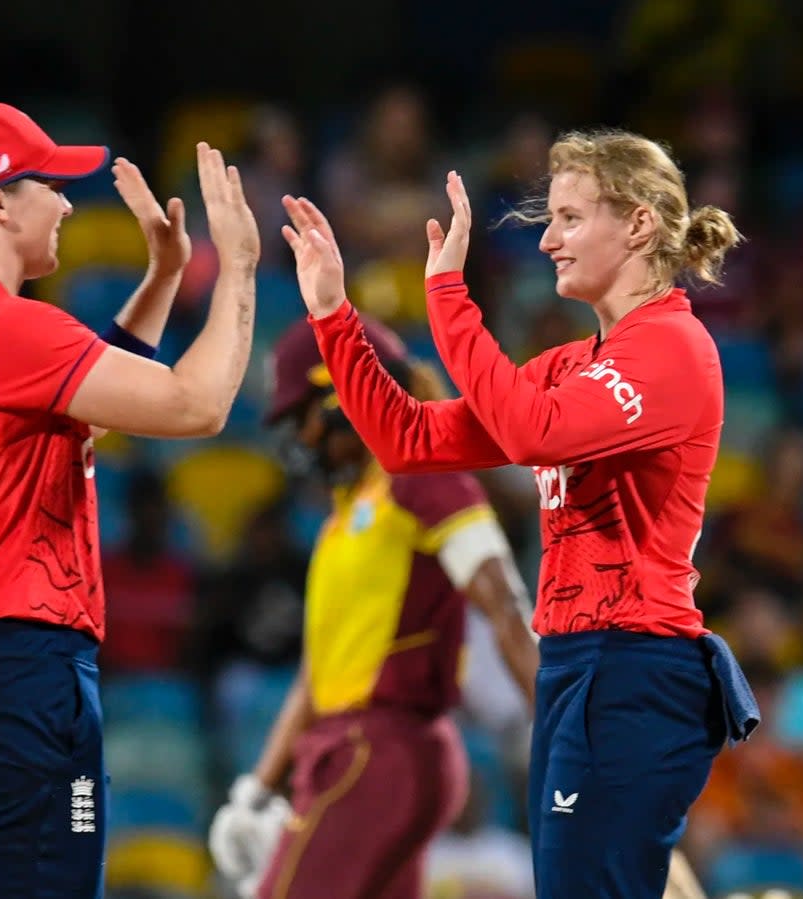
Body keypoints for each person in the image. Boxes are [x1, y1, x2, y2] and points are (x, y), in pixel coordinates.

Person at [276, 129, 760, 899]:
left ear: (637, 224)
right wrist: (336, 317)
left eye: (569, 217)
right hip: (581, 665)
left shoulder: (674, 348)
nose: (548, 240)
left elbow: (533, 431)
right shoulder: (574, 366)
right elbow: (407, 439)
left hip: (633, 664)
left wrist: (447, 297)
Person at [0, 101, 259, 899]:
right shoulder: (2, 327)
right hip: (18, 665)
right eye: (49, 183)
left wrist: (159, 279)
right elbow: (197, 406)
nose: (65, 202)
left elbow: (85, 395)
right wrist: (241, 267)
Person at [208, 315, 540, 899]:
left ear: (343, 398)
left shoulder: (419, 478)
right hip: (365, 755)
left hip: (376, 753)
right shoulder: (348, 511)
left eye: (301, 418)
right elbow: (319, 672)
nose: (299, 439)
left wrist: (566, 731)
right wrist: (258, 789)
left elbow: (507, 606)